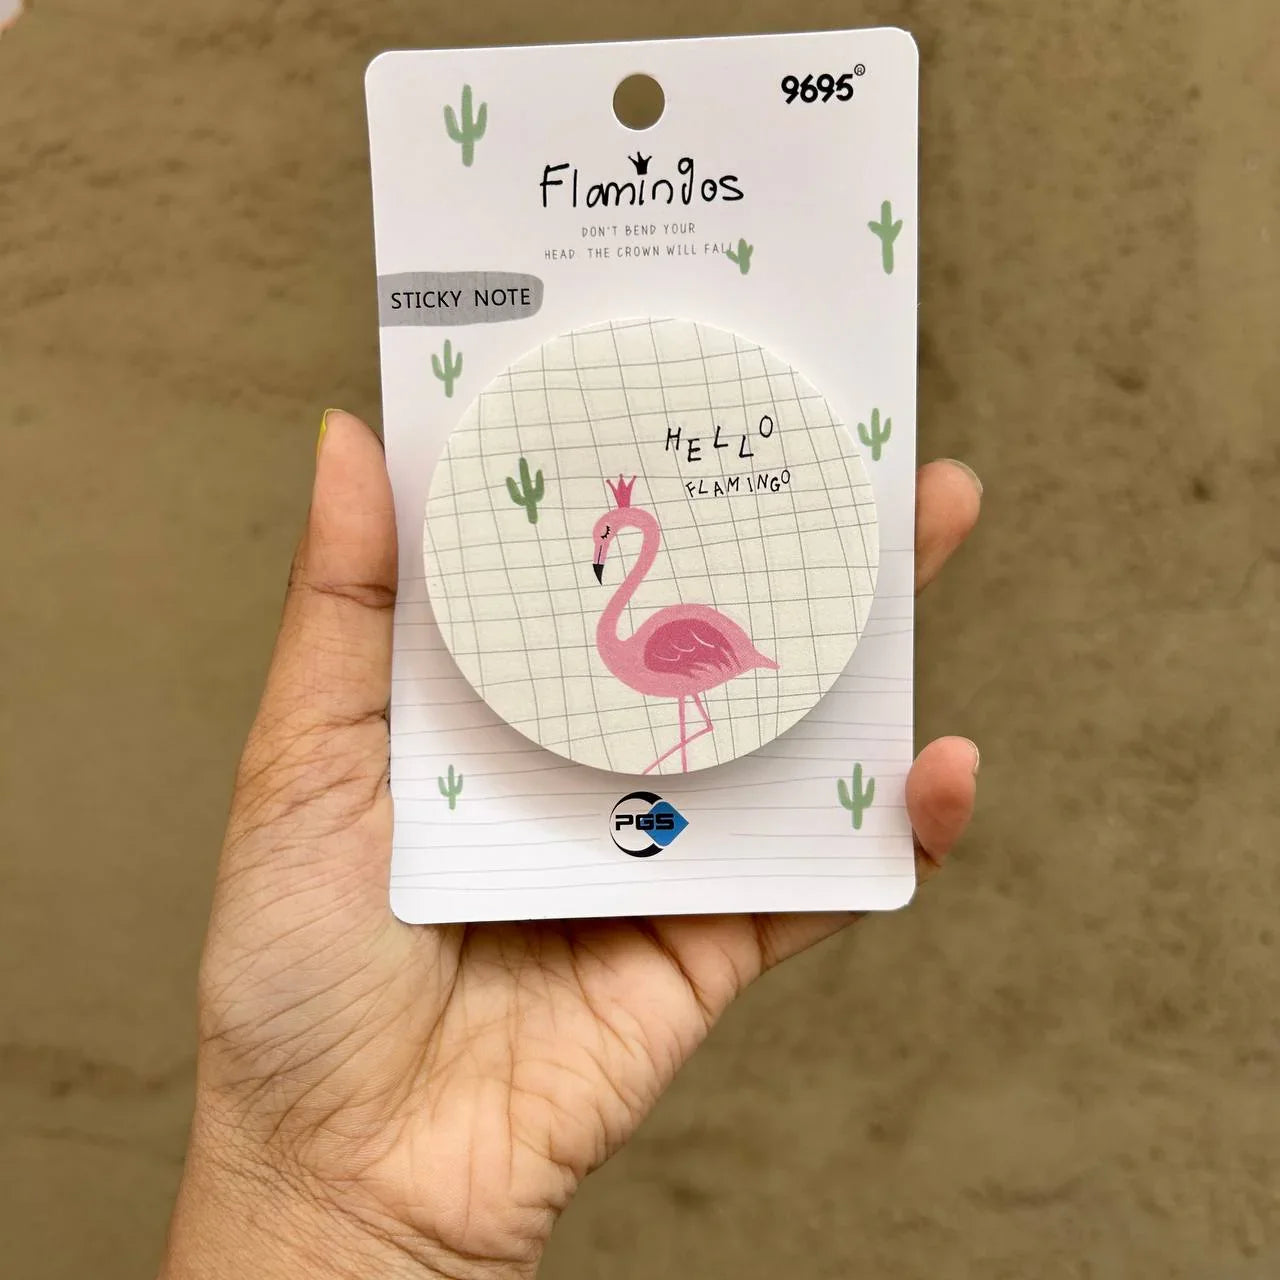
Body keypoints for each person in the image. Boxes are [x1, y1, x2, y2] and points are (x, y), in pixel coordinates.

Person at [157, 409, 982, 1279]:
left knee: (699, 722)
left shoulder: (666, 635)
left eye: (612, 540)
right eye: (605, 543)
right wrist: (335, 1200)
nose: (605, 556)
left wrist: (336, 1206)